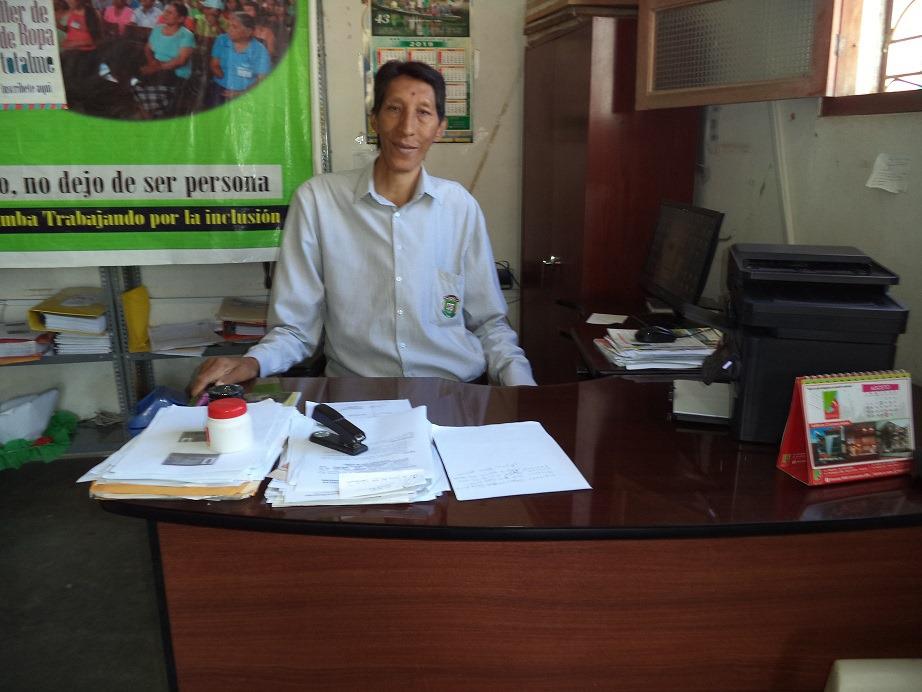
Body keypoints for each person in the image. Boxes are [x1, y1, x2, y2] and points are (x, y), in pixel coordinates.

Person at [189, 60, 535, 397]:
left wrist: (525, 391)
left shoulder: (459, 207)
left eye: (423, 113)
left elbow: (489, 324)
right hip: (360, 397)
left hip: (453, 393)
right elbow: (295, 329)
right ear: (375, 120)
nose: (407, 128)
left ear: (440, 127)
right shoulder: (319, 201)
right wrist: (253, 362)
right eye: (394, 109)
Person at [207, 11, 269, 104]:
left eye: (234, 27)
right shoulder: (222, 40)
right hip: (221, 88)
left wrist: (240, 93)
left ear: (248, 32)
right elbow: (214, 64)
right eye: (229, 26)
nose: (229, 30)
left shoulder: (259, 50)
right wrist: (224, 80)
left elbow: (262, 79)